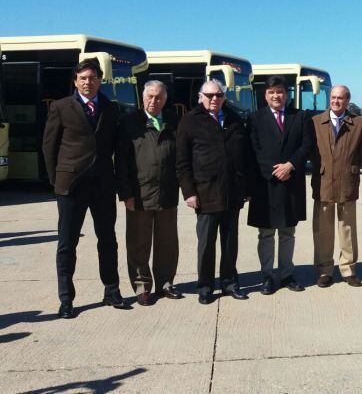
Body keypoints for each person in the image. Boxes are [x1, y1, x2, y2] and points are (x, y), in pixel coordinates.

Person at [42, 58, 129, 318]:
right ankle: (66, 299)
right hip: (71, 186)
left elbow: (117, 148)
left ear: (100, 80)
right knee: (67, 243)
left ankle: (111, 290)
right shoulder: (61, 107)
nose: (87, 82)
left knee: (108, 240)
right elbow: (49, 147)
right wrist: (56, 180)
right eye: (82, 78)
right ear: (75, 82)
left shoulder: (111, 108)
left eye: (92, 78)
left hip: (103, 184)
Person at [176, 79, 251, 304]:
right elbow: (182, 161)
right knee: (206, 243)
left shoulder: (235, 119)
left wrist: (245, 188)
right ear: (201, 97)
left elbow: (245, 158)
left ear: (224, 97)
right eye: (209, 95)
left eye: (218, 95)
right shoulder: (190, 121)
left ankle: (229, 282)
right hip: (205, 193)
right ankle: (205, 285)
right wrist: (189, 192)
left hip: (232, 192)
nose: (214, 99)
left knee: (230, 242)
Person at [115, 80, 181, 306]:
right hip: (139, 194)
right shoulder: (129, 123)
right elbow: (121, 162)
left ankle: (165, 283)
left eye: (159, 97)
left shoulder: (174, 122)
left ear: (165, 99)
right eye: (150, 96)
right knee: (138, 243)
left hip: (167, 193)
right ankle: (142, 287)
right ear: (143, 98)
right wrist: (126, 194)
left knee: (167, 243)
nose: (154, 101)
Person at [247, 75, 312, 294]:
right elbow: (253, 150)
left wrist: (290, 165)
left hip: (291, 183)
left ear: (287, 94)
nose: (276, 95)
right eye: (272, 92)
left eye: (280, 91)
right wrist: (275, 170)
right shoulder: (254, 118)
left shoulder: (300, 116)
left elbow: (306, 145)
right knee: (266, 234)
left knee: (287, 232)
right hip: (266, 185)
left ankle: (286, 274)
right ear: (265, 95)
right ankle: (267, 275)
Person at [310, 85, 362, 288]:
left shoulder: (359, 124)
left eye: (340, 98)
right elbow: (311, 153)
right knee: (323, 230)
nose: (336, 101)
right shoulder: (316, 122)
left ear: (347, 100)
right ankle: (324, 270)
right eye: (333, 97)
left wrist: (349, 169)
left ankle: (348, 269)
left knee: (348, 228)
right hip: (323, 182)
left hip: (347, 183)